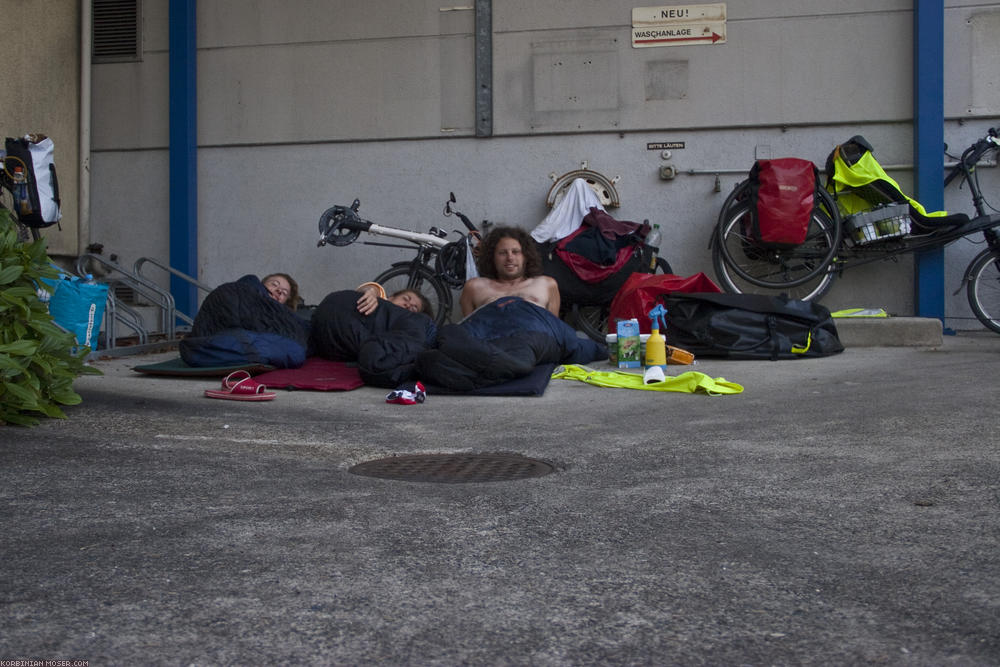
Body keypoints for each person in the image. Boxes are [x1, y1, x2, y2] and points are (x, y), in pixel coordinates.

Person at [458, 226, 560, 318]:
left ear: (526, 256)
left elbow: (555, 331)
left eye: (515, 252)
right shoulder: (474, 287)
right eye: (502, 253)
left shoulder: (546, 285)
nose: (510, 258)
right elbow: (468, 332)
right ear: (492, 257)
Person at [354, 282, 432, 317]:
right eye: (405, 298)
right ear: (391, 297)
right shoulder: (380, 300)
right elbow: (373, 289)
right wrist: (371, 292)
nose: (408, 305)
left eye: (413, 308)